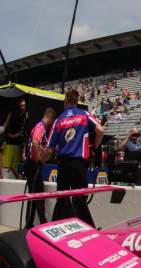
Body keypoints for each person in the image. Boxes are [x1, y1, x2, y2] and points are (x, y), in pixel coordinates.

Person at [41, 89, 103, 225]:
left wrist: (40, 162)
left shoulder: (59, 120)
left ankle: (56, 229)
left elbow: (49, 149)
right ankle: (87, 229)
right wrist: (95, 146)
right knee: (79, 199)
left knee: (62, 198)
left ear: (65, 101)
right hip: (79, 164)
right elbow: (100, 130)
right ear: (77, 101)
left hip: (63, 164)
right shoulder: (84, 115)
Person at [23, 107, 55, 228]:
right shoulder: (40, 127)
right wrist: (38, 160)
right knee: (37, 195)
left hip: (32, 164)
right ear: (50, 118)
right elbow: (36, 142)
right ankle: (39, 223)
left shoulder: (41, 127)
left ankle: (32, 223)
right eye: (52, 121)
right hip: (33, 164)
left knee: (35, 195)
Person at [1, 98, 27, 178]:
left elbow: (23, 132)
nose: (22, 107)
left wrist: (13, 136)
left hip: (20, 143)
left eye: (23, 105)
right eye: (21, 105)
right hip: (11, 144)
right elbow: (5, 126)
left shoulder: (26, 116)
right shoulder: (14, 113)